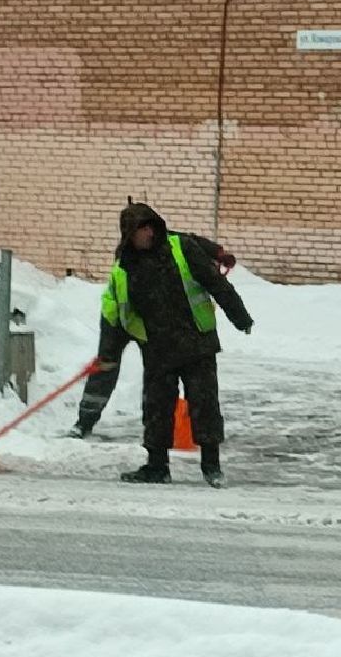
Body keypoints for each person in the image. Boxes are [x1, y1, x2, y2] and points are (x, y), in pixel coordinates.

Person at [104, 202, 254, 487]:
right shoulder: (125, 264)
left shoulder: (181, 248)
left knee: (204, 404)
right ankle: (156, 466)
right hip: (157, 347)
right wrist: (110, 348)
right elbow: (118, 308)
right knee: (156, 408)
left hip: (196, 342)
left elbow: (216, 284)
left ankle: (211, 466)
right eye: (139, 231)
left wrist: (240, 316)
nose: (146, 234)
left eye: (148, 227)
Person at [70, 220, 236, 439]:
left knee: (163, 377)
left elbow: (189, 240)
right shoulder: (131, 250)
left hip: (149, 322)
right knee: (106, 367)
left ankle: (165, 435)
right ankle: (85, 421)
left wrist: (218, 252)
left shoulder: (168, 241)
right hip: (118, 317)